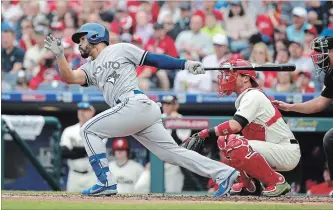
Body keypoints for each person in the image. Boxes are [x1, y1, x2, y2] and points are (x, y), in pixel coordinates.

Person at [44, 22, 238, 197]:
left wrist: (185, 64)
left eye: (83, 38)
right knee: (171, 154)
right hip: (135, 112)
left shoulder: (120, 49)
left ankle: (105, 182)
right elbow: (69, 77)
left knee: (87, 129)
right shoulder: (90, 67)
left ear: (95, 36)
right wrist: (60, 55)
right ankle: (225, 173)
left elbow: (154, 60)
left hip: (134, 103)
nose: (79, 43)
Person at [183, 59, 301, 197]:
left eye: (232, 73)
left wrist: (204, 133)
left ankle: (277, 181)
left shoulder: (253, 95)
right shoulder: (245, 97)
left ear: (246, 78)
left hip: (285, 151)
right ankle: (250, 185)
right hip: (271, 148)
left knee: (235, 144)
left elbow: (235, 125)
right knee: (224, 140)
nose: (226, 77)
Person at [273, 36, 333, 196]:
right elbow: (319, 104)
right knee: (330, 138)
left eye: (323, 52)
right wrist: (290, 107)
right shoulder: (331, 75)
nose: (320, 56)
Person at [60, 102, 97, 192]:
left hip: (91, 174)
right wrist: (84, 151)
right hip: (74, 175)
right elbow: (64, 153)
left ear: (92, 112)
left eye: (85, 110)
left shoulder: (99, 130)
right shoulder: (69, 130)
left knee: (94, 204)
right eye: (80, 110)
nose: (82, 112)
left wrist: (73, 149)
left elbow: (92, 151)